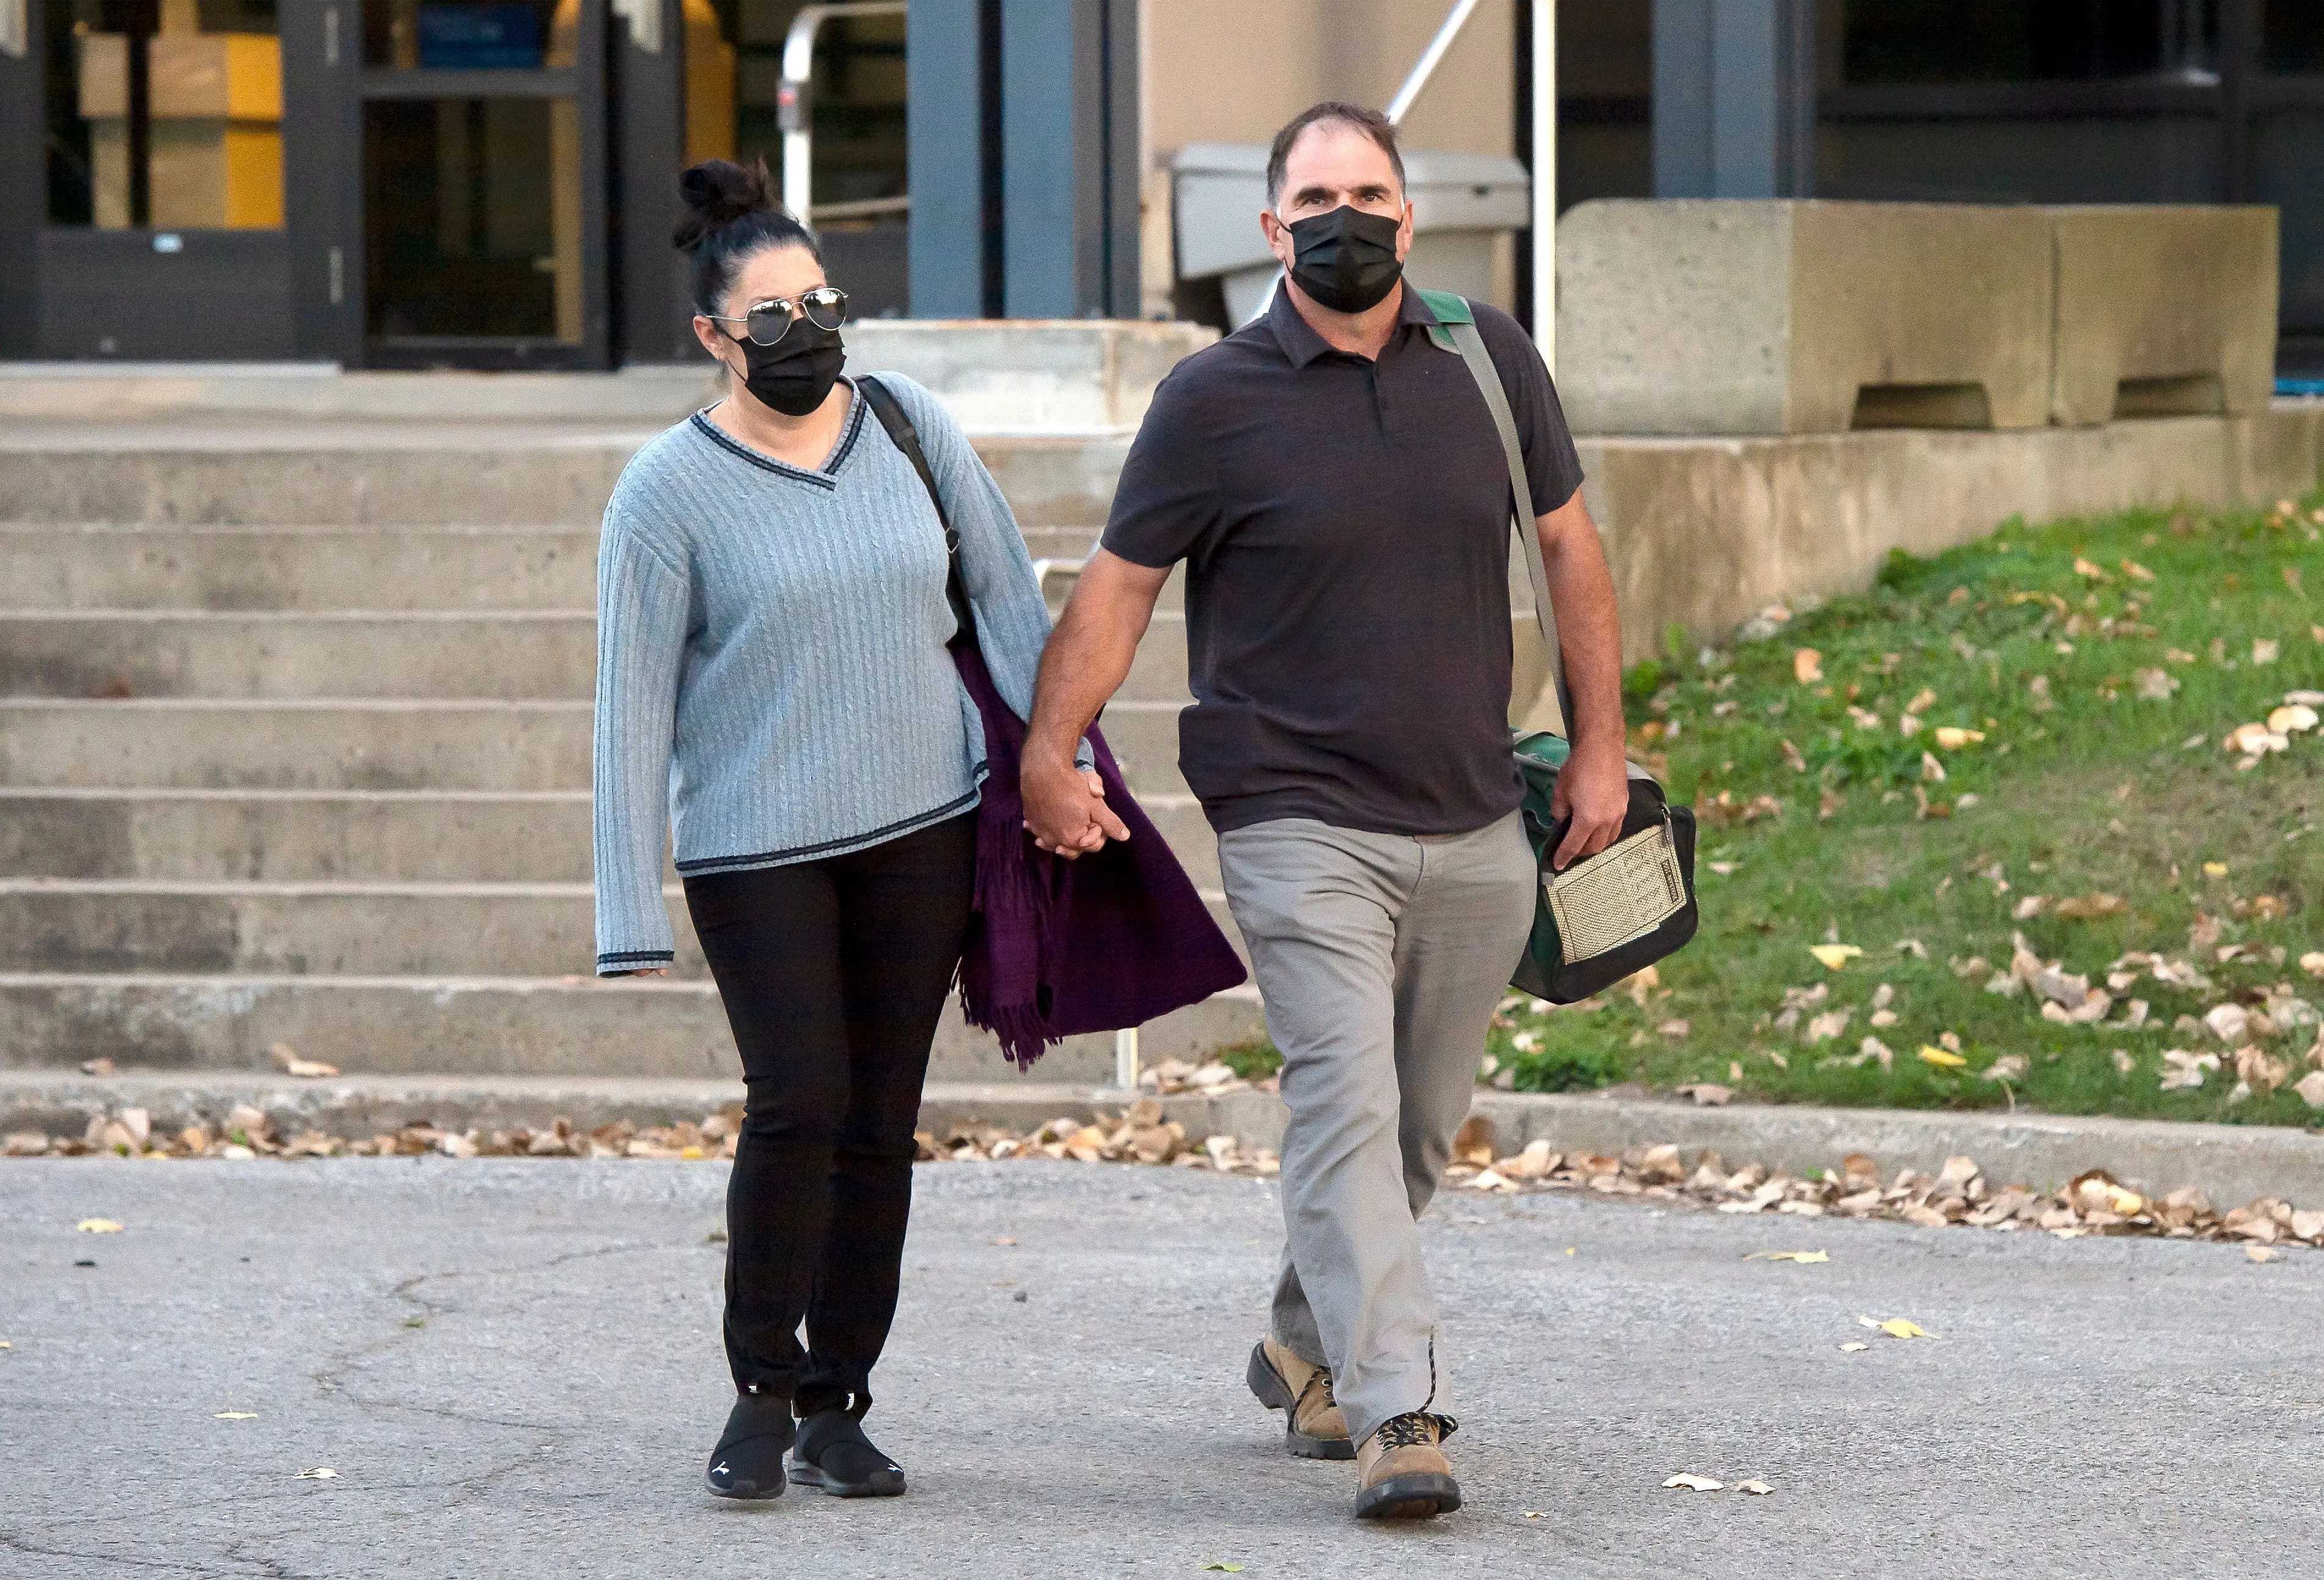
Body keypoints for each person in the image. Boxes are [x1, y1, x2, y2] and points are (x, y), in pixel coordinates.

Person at [1020, 102, 1630, 1521]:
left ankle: (1301, 1339)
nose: (1341, 216)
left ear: (1410, 218)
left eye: (1368, 192)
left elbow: (1567, 548)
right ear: (1268, 225)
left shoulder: (1487, 358)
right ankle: (1394, 1407)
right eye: (1314, 195)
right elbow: (1120, 586)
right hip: (1294, 817)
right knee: (1345, 1106)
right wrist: (1055, 751)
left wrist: (1602, 744)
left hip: (1474, 810)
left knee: (1415, 1124)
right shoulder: (1211, 398)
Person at [592, 158, 1068, 1502]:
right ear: (712, 336)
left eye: (820, 304)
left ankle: (838, 1396)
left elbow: (1007, 601)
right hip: (757, 847)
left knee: (879, 1119)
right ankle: (757, 1385)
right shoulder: (664, 493)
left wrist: (1062, 759)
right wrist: (627, 909)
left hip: (922, 823)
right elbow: (629, 706)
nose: (803, 333)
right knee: (798, 1100)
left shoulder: (909, 425)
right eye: (771, 317)